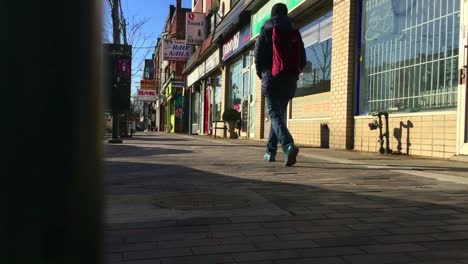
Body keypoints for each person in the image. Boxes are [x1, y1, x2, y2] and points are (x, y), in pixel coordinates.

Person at [254, 3, 306, 167]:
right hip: (289, 79)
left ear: (272, 14)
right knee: (278, 115)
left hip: (272, 76)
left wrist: (262, 74)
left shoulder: (266, 29)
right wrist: (293, 72)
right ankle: (270, 152)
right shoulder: (293, 30)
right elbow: (302, 59)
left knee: (274, 114)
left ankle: (288, 145)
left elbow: (258, 56)